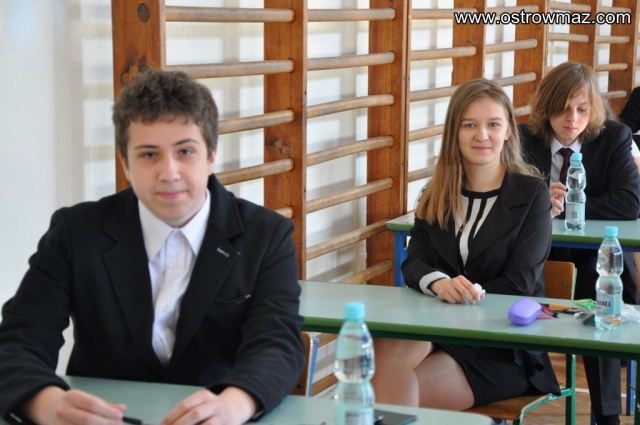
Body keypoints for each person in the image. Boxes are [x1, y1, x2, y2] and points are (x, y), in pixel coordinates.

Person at [0, 68, 304, 425]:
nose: (169, 173)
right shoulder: (76, 232)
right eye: (148, 155)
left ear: (211, 156)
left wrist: (235, 404)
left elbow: (276, 342)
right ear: (125, 164)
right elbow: (20, 338)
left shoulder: (266, 235)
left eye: (185, 151)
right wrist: (47, 404)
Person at [371, 78, 560, 412]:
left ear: (508, 131)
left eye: (493, 124)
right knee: (386, 350)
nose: (481, 135)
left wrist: (460, 294)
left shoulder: (533, 194)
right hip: (440, 325)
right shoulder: (435, 194)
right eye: (469, 125)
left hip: (502, 343)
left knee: (390, 393)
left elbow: (520, 283)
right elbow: (414, 263)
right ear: (454, 133)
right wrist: (440, 284)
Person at [520, 61, 640, 425]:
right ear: (546, 108)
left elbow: (631, 202)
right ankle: (518, 391)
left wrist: (573, 204)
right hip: (538, 255)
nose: (572, 119)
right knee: (508, 289)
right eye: (563, 108)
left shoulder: (614, 137)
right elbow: (507, 196)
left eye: (582, 109)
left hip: (597, 258)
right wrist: (540, 201)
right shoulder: (522, 138)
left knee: (602, 302)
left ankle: (606, 415)